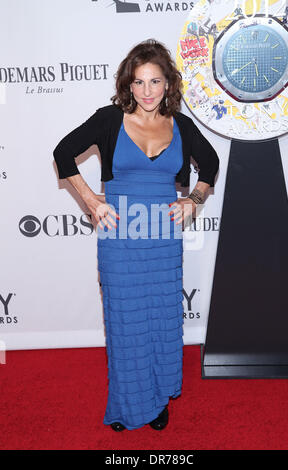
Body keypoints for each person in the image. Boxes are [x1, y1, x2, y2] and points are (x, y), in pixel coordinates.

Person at [53, 39, 219, 432]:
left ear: (168, 85)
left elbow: (210, 163)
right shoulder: (109, 119)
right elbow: (63, 153)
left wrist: (193, 199)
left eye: (155, 82)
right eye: (139, 82)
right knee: (126, 322)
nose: (147, 91)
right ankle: (130, 403)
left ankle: (158, 399)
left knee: (160, 319)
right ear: (128, 85)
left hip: (163, 238)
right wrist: (93, 201)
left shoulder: (181, 125)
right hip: (121, 238)